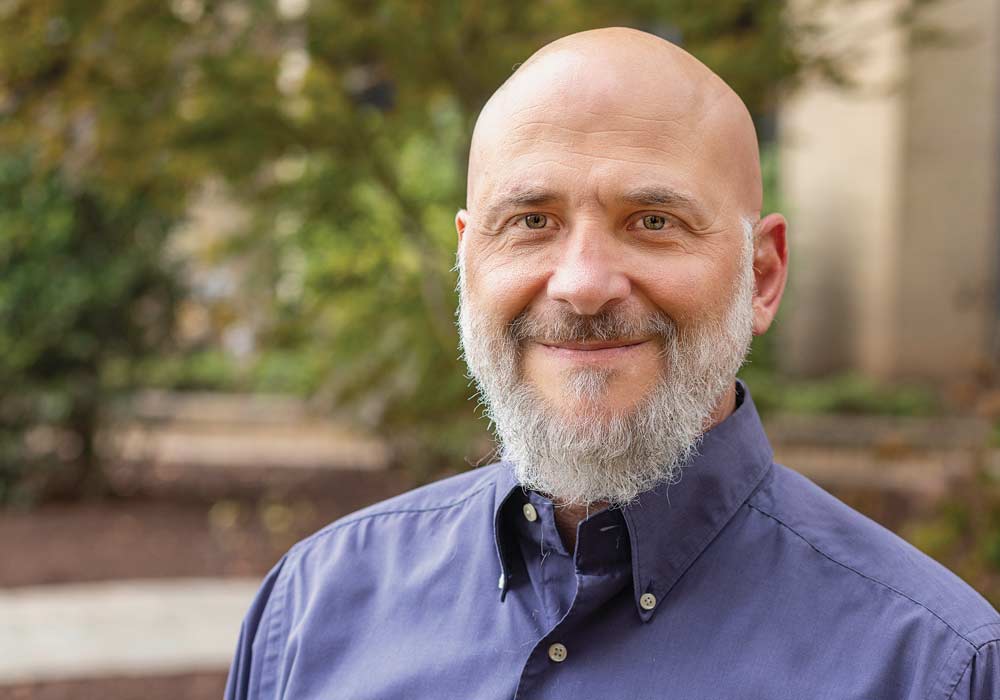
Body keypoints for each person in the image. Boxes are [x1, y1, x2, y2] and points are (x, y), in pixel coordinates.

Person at [225, 27, 999, 698]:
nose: (584, 284)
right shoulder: (312, 612)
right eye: (532, 221)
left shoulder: (931, 667)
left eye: (652, 221)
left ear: (761, 275)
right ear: (468, 261)